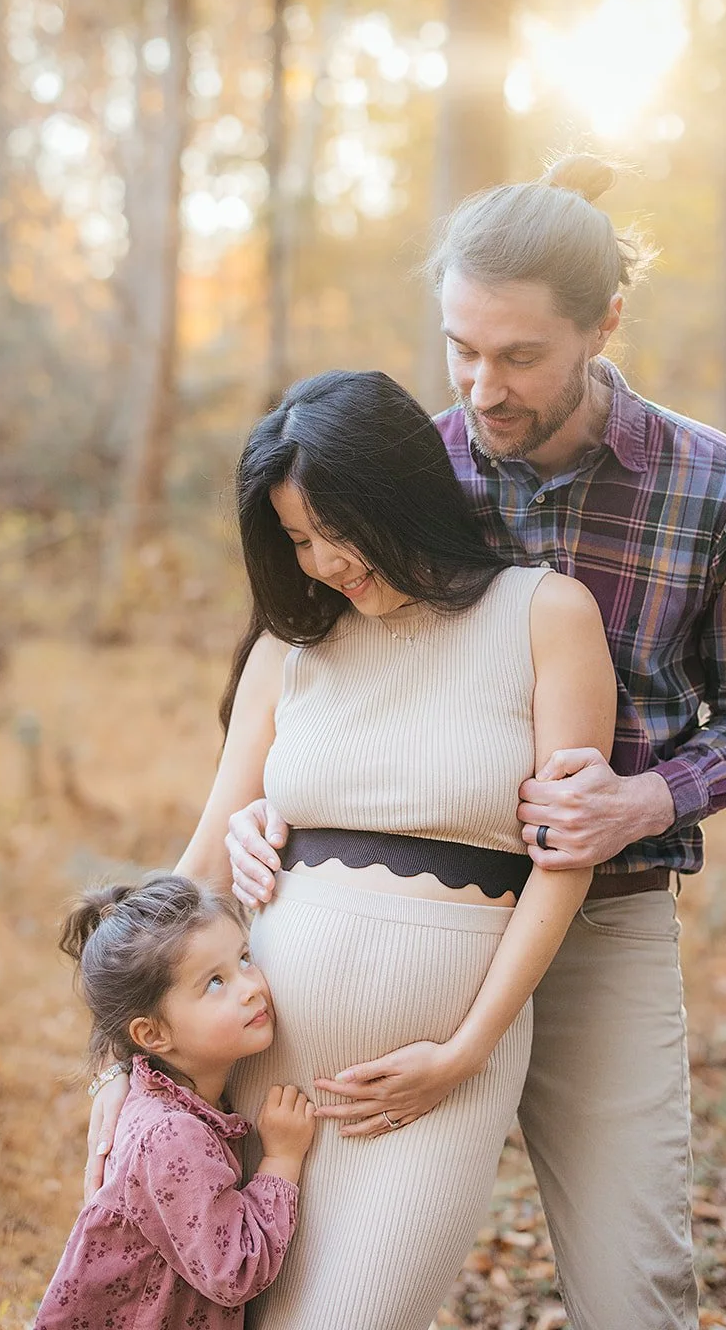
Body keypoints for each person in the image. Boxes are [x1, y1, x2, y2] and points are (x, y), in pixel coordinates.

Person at [224, 155, 726, 1330]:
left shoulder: (722, 491)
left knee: (633, 1283)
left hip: (606, 915)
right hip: (402, 916)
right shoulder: (404, 465)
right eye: (460, 349)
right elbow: (300, 647)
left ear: (604, 324)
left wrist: (645, 798)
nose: (483, 389)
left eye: (521, 356)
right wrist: (256, 808)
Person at [86, 368, 616, 1330]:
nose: (323, 561)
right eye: (295, 540)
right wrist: (119, 1074)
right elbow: (202, 860)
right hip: (246, 1080)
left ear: (400, 493)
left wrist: (464, 1052)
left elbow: (563, 861)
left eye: (338, 529)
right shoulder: (289, 653)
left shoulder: (544, 616)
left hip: (427, 1090)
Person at [36, 875, 315, 1330]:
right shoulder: (173, 1134)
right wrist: (282, 1159)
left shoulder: (178, 1100)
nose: (249, 986)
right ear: (152, 1035)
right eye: (214, 983)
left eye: (245, 958)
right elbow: (233, 1271)